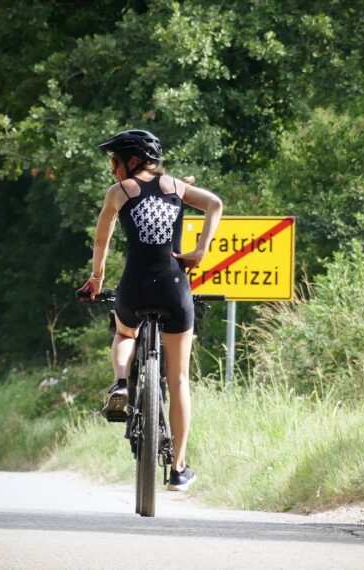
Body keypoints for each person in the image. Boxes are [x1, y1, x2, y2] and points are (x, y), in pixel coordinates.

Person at [79, 129, 222, 491]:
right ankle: (178, 468)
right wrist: (200, 252)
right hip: (176, 289)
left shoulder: (120, 192)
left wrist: (96, 278)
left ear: (130, 161)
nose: (113, 170)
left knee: (125, 332)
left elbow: (101, 238)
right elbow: (215, 204)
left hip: (134, 288)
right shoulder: (176, 186)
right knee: (179, 380)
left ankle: (121, 382)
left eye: (115, 161)